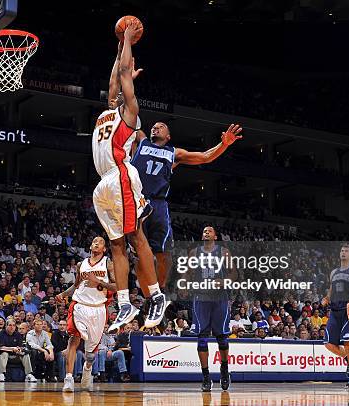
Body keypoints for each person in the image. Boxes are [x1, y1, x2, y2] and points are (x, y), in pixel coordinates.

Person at [91, 23, 168, 333]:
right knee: (117, 246)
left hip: (120, 175)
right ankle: (124, 303)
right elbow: (114, 79)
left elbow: (123, 73)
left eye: (123, 91)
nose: (118, 92)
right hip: (103, 185)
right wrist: (118, 56)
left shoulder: (131, 112)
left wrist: (126, 39)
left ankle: (156, 296)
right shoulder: (110, 109)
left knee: (136, 236)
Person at [131, 120, 242, 296]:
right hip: (136, 200)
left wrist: (224, 144)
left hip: (158, 204)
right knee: (138, 254)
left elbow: (205, 157)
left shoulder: (174, 153)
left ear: (168, 136)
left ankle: (160, 291)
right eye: (154, 126)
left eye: (161, 126)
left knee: (164, 254)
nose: (155, 127)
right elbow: (126, 117)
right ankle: (147, 296)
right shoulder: (141, 140)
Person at [56, 236, 116, 392]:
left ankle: (87, 370)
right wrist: (63, 295)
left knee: (90, 354)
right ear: (90, 245)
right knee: (73, 340)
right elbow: (76, 286)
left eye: (100, 242)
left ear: (104, 249)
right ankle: (68, 379)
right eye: (94, 241)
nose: (96, 243)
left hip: (98, 309)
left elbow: (117, 286)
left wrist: (99, 282)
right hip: (79, 306)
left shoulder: (108, 264)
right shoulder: (80, 264)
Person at [190, 226, 237, 391]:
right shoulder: (194, 253)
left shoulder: (223, 252)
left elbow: (233, 273)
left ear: (215, 236)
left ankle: (224, 370)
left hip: (219, 298)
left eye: (209, 231)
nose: (206, 232)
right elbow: (187, 273)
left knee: (222, 338)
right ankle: (206, 376)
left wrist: (225, 282)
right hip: (200, 297)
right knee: (202, 338)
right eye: (204, 231)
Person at [321, 244, 349, 389]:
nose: (343, 252)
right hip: (335, 311)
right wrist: (326, 298)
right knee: (328, 344)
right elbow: (331, 289)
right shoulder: (333, 272)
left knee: (347, 343)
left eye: (346, 251)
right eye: (341, 250)